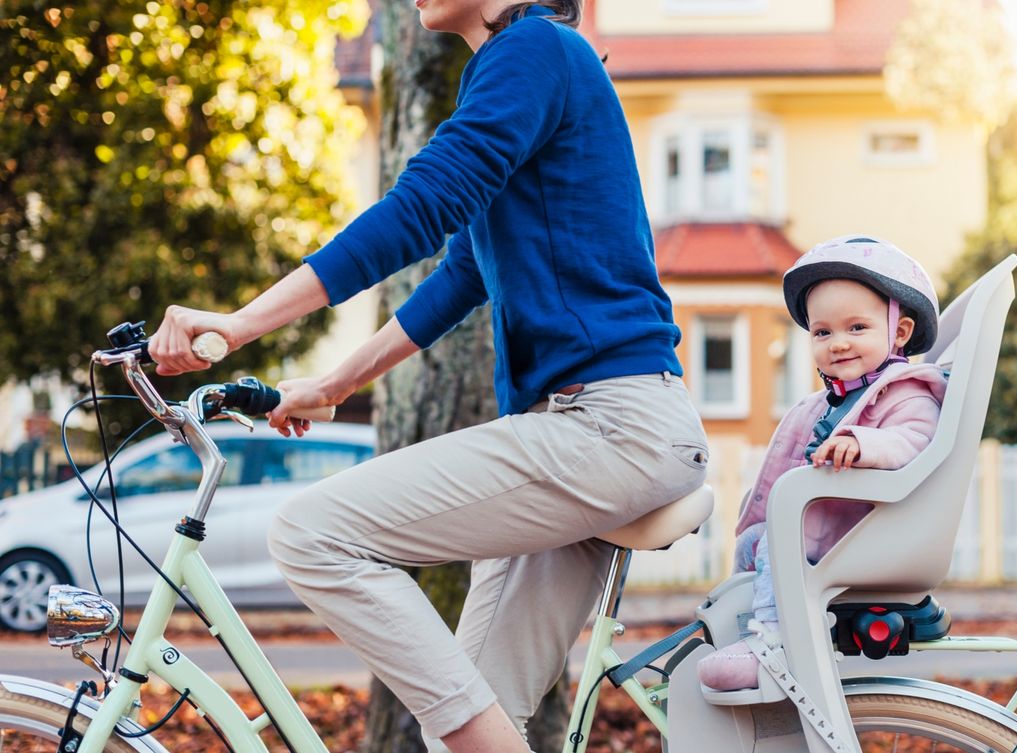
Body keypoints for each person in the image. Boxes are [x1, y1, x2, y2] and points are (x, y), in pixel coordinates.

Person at [149, 2, 709, 751]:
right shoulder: (528, 66)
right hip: (593, 433)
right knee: (477, 730)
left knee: (312, 532)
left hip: (607, 427)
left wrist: (241, 322)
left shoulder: (536, 50)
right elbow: (464, 275)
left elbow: (421, 207)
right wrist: (334, 384)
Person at [696, 235, 947, 692]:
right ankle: (748, 625)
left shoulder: (907, 390)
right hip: (829, 526)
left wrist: (863, 443)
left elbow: (915, 440)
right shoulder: (825, 403)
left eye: (857, 328)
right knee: (755, 540)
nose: (838, 344)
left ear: (901, 332)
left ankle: (774, 644)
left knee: (778, 541)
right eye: (823, 332)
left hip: (865, 534)